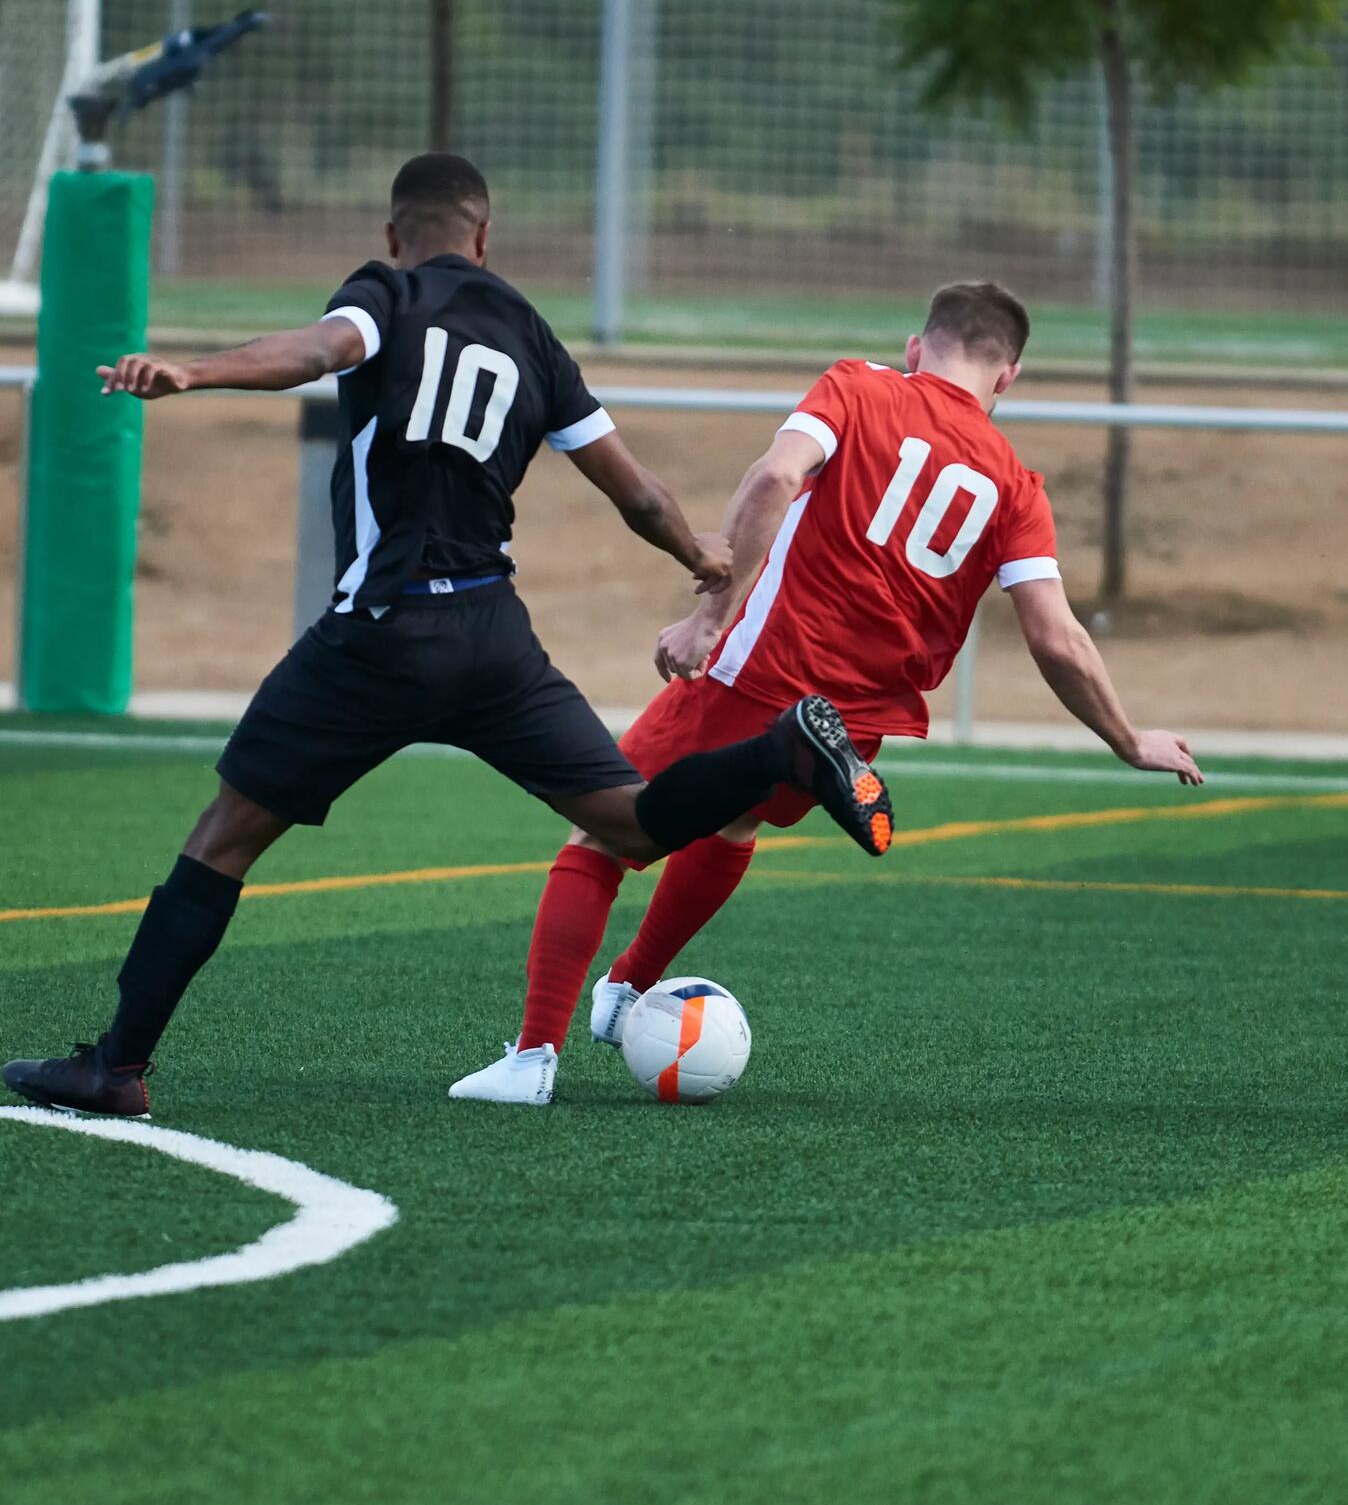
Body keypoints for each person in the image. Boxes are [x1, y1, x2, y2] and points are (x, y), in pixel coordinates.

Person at [3, 153, 891, 1119]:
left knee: (223, 840)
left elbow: (317, 352)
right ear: (486, 236)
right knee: (631, 825)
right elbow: (636, 491)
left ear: (394, 235)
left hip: (380, 633)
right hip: (491, 637)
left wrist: (193, 370)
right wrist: (704, 556)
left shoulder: (385, 294)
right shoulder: (531, 335)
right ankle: (783, 752)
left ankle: (118, 1066)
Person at [451, 278, 1200, 1105]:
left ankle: (530, 1060)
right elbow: (1056, 635)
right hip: (854, 723)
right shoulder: (1017, 488)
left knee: (599, 835)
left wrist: (707, 616)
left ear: (918, 349)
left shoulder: (860, 386)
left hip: (763, 670)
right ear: (1009, 377)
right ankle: (627, 988)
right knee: (730, 820)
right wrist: (1129, 738)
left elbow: (775, 478)